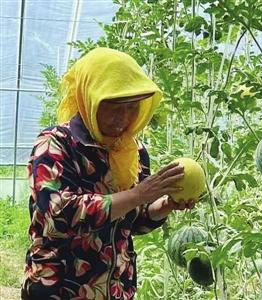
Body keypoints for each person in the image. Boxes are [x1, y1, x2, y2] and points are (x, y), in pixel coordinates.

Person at [21, 47, 196, 300]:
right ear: (89, 99)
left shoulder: (132, 151)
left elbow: (132, 220)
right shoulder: (55, 144)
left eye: (132, 107)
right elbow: (57, 214)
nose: (123, 119)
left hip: (116, 289)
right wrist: (138, 194)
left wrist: (165, 204)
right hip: (60, 289)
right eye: (113, 107)